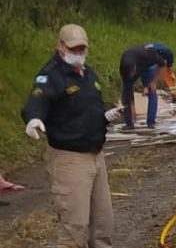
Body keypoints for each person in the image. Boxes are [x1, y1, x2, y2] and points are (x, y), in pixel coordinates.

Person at [22, 24, 124, 248]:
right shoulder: (51, 76)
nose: (78, 54)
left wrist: (105, 115)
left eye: (82, 49)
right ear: (60, 46)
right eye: (73, 49)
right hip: (69, 159)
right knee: (74, 228)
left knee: (103, 224)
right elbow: (37, 100)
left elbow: (87, 107)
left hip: (96, 157)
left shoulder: (89, 74)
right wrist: (33, 118)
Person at [118, 42, 175, 129]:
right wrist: (132, 108)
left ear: (134, 67)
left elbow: (163, 65)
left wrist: (154, 82)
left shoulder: (150, 55)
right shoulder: (124, 67)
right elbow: (127, 89)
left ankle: (151, 122)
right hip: (134, 65)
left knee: (152, 90)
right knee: (126, 91)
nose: (132, 76)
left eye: (132, 74)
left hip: (148, 66)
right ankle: (129, 123)